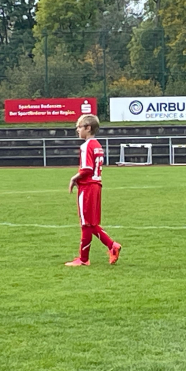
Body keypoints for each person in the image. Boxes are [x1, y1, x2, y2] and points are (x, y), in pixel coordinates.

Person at [65, 114, 121, 266]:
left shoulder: (86, 146)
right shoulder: (97, 145)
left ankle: (84, 259)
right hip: (96, 185)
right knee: (91, 223)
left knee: (86, 223)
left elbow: (87, 168)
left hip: (88, 187)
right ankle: (111, 246)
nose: (77, 130)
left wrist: (74, 178)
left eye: (79, 127)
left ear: (88, 128)